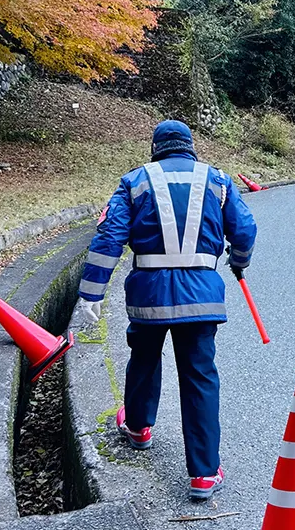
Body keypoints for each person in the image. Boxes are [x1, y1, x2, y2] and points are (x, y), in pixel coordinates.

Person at [74, 120, 257, 500]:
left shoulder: (134, 181)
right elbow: (244, 230)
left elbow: (108, 238)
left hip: (148, 298)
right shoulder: (219, 181)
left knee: (143, 358)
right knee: (199, 375)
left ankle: (139, 428)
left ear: (155, 148)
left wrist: (91, 295)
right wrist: (239, 261)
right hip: (201, 298)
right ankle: (205, 473)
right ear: (190, 147)